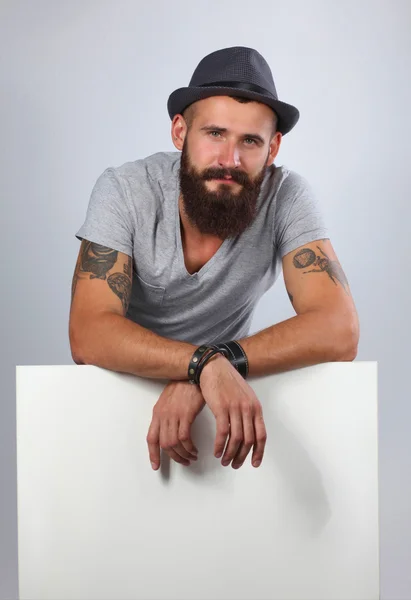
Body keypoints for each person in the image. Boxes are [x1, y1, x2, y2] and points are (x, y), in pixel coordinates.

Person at [69, 46, 359, 473]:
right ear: (180, 132)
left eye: (250, 141)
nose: (230, 160)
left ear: (273, 148)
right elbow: (87, 333)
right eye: (215, 134)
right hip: (116, 400)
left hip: (222, 411)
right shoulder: (125, 190)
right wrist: (202, 366)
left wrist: (211, 367)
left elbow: (339, 329)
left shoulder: (286, 197)